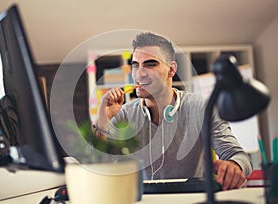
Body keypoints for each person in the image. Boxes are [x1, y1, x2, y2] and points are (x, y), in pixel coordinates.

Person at [93, 32, 252, 190]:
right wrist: (103, 120)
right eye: (135, 65)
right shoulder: (124, 114)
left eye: (150, 64)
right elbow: (100, 167)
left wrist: (234, 165)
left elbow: (238, 156)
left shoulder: (202, 108)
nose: (139, 73)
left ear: (171, 69)